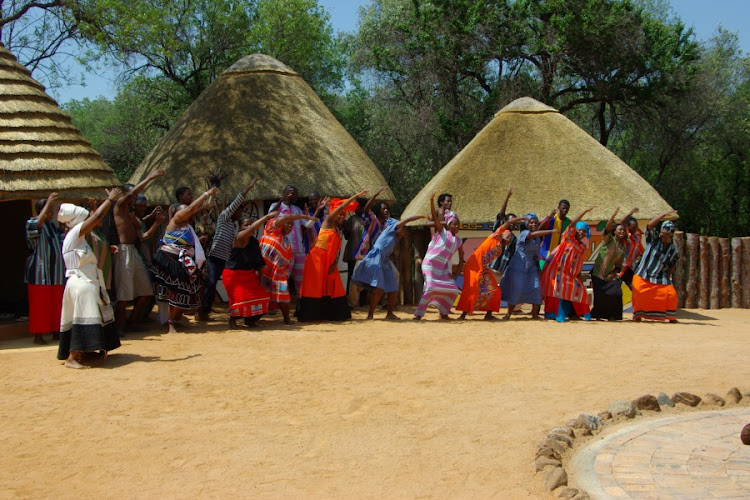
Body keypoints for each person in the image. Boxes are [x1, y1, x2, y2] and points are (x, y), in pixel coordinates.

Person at [56, 189, 123, 369]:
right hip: (81, 283)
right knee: (83, 318)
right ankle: (72, 357)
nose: (90, 223)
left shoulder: (80, 238)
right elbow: (98, 216)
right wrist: (110, 200)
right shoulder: (75, 233)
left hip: (84, 282)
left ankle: (85, 352)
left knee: (87, 317)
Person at [151, 187, 217, 333]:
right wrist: (206, 194)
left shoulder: (187, 226)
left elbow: (193, 211)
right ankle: (170, 323)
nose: (187, 212)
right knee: (176, 289)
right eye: (184, 210)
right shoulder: (174, 221)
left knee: (186, 289)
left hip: (183, 261)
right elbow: (193, 208)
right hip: (170, 259)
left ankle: (176, 319)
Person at [297, 191, 369, 322]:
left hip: (329, 261)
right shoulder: (328, 221)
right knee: (315, 287)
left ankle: (331, 315)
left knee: (334, 286)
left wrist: (334, 262)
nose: (342, 216)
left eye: (343, 215)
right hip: (317, 259)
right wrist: (355, 197)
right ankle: (310, 315)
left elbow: (336, 248)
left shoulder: (337, 228)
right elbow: (341, 207)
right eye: (340, 215)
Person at [112, 169, 166, 334]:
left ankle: (132, 321)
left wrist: (153, 220)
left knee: (146, 290)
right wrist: (150, 177)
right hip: (123, 252)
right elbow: (130, 195)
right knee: (124, 293)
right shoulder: (119, 206)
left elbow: (141, 234)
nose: (134, 198)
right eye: (133, 196)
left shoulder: (130, 214)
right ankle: (119, 326)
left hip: (133, 252)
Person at [351, 201, 424, 320]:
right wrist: (422, 216)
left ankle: (389, 313)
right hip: (376, 257)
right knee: (378, 289)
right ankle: (370, 314)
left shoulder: (393, 231)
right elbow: (408, 219)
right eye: (383, 209)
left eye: (387, 209)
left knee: (393, 287)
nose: (386, 211)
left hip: (384, 259)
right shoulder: (390, 226)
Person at [199, 179, 259, 320]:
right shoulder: (224, 217)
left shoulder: (233, 226)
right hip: (215, 257)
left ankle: (233, 308)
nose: (241, 213)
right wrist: (248, 188)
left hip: (226, 259)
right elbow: (235, 203)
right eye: (239, 210)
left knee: (228, 283)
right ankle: (203, 311)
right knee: (212, 282)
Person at [456, 216, 523, 320]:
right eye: (507, 236)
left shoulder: (501, 248)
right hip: (473, 266)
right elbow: (509, 222)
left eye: (510, 238)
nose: (509, 238)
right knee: (471, 290)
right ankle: (463, 315)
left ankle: (488, 314)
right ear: (502, 233)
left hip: (482, 267)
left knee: (494, 291)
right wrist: (522, 218)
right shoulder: (496, 235)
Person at [259, 212, 317, 324]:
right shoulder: (272, 228)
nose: (290, 226)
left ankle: (287, 318)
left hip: (276, 275)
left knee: (283, 294)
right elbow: (286, 217)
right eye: (288, 224)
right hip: (262, 271)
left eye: (292, 225)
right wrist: (304, 217)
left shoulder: (286, 243)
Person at [413, 192, 464, 320]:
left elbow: (462, 258)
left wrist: (456, 274)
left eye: (458, 225)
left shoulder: (458, 240)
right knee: (430, 287)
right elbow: (434, 221)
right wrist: (431, 201)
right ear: (448, 225)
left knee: (453, 289)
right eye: (454, 224)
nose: (456, 227)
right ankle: (418, 314)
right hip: (430, 263)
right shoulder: (443, 232)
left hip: (442, 267)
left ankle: (444, 312)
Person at [222, 212, 277, 329]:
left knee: (263, 297)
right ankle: (233, 319)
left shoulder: (254, 242)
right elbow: (252, 229)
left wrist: (261, 279)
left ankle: (250, 320)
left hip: (249, 275)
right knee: (240, 299)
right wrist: (266, 217)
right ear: (240, 228)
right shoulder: (238, 238)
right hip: (234, 275)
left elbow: (260, 263)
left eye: (250, 225)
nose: (249, 227)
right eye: (245, 225)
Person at [540, 207, 595, 322]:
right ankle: (554, 314)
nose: (581, 232)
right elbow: (573, 223)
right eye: (579, 230)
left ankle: (585, 314)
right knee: (556, 289)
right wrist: (584, 211)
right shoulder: (568, 237)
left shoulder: (582, 247)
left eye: (584, 231)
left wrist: (578, 273)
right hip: (556, 269)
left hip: (570, 273)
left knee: (580, 290)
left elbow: (578, 262)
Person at [25, 192, 65, 345]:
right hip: (40, 272)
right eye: (48, 210)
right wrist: (48, 202)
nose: (51, 212)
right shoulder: (31, 223)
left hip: (55, 273)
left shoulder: (53, 228)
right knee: (40, 305)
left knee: (56, 303)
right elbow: (36, 226)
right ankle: (38, 335)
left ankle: (56, 331)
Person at [499, 212, 556, 320]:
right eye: (531, 223)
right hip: (518, 266)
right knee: (516, 289)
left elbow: (535, 253)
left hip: (531, 266)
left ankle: (534, 314)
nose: (533, 225)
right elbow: (532, 235)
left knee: (536, 287)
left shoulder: (538, 239)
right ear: (527, 224)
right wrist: (550, 231)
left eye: (535, 223)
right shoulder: (524, 233)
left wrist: (540, 262)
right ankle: (508, 314)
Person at [632, 210, 680, 322]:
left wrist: (668, 275)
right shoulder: (653, 239)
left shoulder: (672, 249)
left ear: (670, 235)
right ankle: (638, 315)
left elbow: (673, 263)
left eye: (667, 234)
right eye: (663, 232)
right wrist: (662, 215)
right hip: (644, 273)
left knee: (670, 295)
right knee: (639, 293)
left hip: (659, 276)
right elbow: (649, 226)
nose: (664, 235)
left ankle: (670, 316)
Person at [590, 207, 637, 321]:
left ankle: (614, 316)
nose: (622, 231)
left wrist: (613, 273)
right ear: (614, 231)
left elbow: (619, 265)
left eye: (623, 230)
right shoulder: (608, 240)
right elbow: (607, 228)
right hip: (598, 273)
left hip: (610, 275)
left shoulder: (622, 247)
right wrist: (613, 216)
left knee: (616, 293)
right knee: (600, 297)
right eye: (620, 230)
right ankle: (598, 315)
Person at [268, 185, 306, 295]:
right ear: (286, 193)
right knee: (283, 278)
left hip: (299, 250)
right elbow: (270, 216)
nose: (296, 197)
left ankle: (300, 305)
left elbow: (307, 224)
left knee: (300, 280)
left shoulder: (297, 209)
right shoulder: (276, 206)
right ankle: (279, 303)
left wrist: (317, 211)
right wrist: (282, 199)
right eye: (294, 193)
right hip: (284, 250)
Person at [342, 198, 367, 295]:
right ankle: (350, 298)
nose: (356, 209)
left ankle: (363, 301)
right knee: (351, 276)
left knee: (364, 277)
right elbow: (347, 236)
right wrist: (345, 228)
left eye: (359, 207)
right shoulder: (351, 219)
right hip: (352, 253)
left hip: (365, 254)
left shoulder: (369, 219)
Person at [489, 188, 517, 274]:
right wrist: (507, 197)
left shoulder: (514, 238)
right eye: (510, 222)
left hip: (502, 272)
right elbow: (501, 215)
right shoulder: (499, 230)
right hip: (491, 269)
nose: (512, 224)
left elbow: (512, 255)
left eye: (514, 222)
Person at [620, 213, 644, 288]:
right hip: (620, 267)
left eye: (636, 227)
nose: (635, 229)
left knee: (635, 287)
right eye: (633, 227)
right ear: (627, 226)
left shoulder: (636, 239)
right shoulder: (624, 236)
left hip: (629, 268)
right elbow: (620, 223)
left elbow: (642, 252)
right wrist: (630, 212)